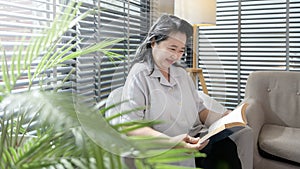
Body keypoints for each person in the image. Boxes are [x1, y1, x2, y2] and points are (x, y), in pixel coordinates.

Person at [120, 14, 242, 168]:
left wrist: (223, 118)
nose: (176, 56)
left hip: (194, 138)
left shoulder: (181, 74)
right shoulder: (140, 75)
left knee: (227, 147)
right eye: (172, 48)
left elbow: (200, 110)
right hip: (164, 144)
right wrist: (172, 142)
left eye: (181, 50)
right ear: (153, 42)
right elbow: (131, 126)